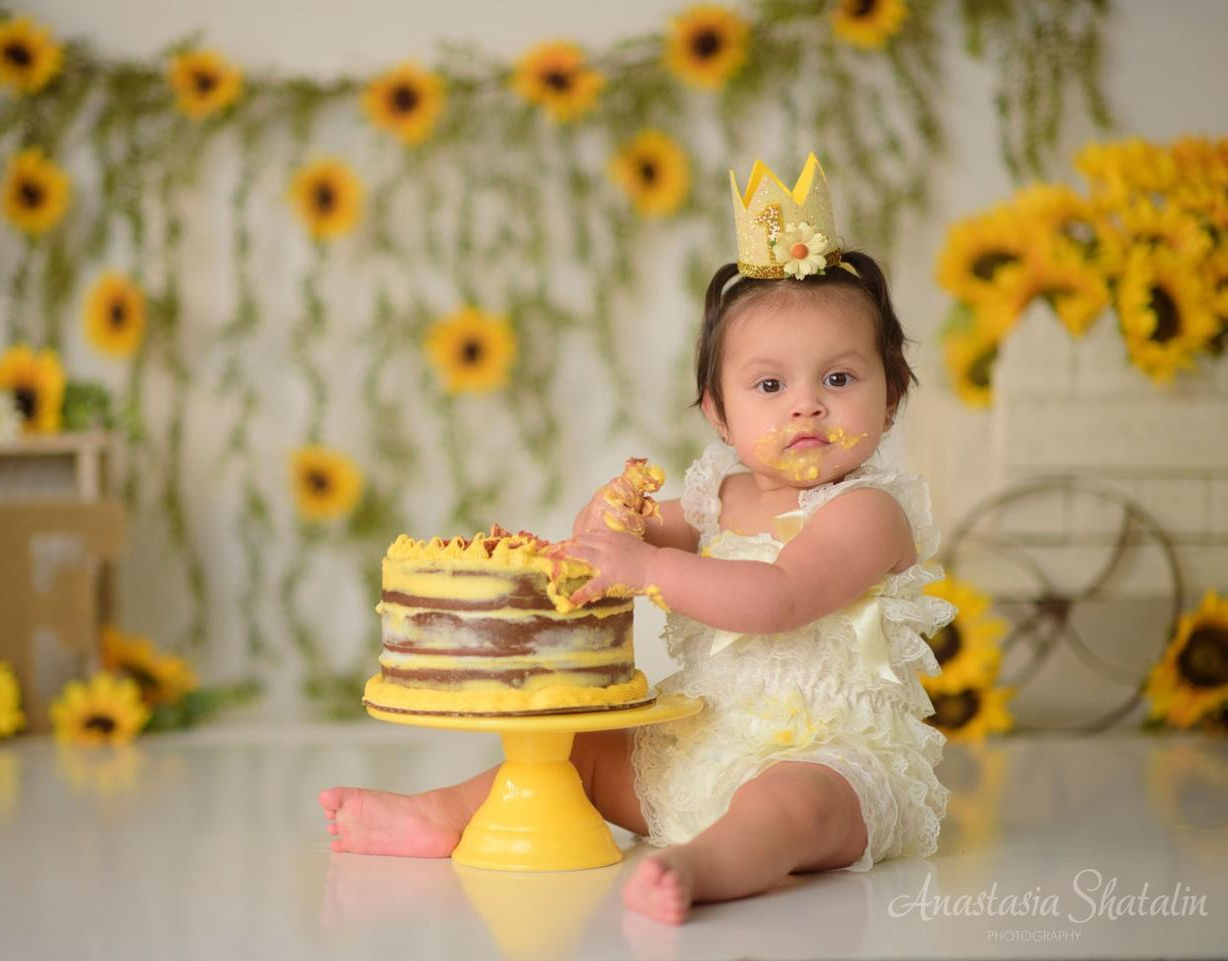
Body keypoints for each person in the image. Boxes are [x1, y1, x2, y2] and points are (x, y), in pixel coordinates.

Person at [320, 155, 956, 925]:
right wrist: (611, 522)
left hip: (832, 754)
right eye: (769, 385)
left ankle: (708, 865)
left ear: (890, 398)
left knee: (790, 804)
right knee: (579, 752)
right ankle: (443, 813)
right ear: (718, 413)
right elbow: (633, 535)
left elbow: (781, 596)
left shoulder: (866, 512)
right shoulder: (720, 496)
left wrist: (648, 565)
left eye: (839, 379)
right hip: (706, 742)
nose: (805, 407)